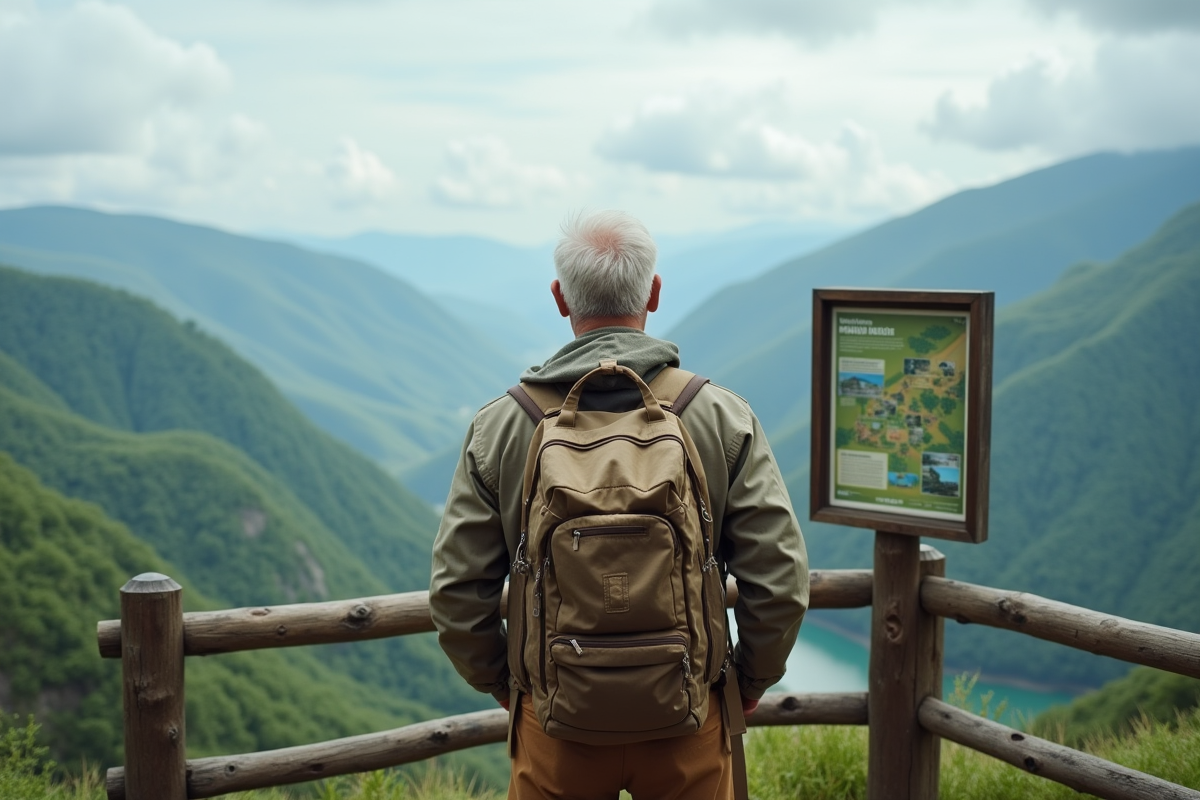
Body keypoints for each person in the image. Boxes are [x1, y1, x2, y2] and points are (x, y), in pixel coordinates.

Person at [429, 209, 809, 800]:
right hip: (690, 716)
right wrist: (747, 682)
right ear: (654, 293)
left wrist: (511, 686)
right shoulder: (718, 416)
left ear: (560, 298)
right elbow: (779, 579)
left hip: (554, 724)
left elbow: (456, 591)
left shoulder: (503, 425)